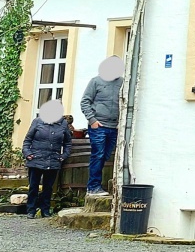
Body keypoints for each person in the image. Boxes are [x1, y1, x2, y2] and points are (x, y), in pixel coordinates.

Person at [80, 54, 123, 198]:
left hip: (115, 127)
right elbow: (85, 102)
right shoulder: (96, 81)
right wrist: (92, 121)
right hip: (99, 126)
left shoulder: (123, 82)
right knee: (98, 155)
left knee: (104, 156)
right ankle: (93, 187)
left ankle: (96, 185)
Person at [22, 99, 72, 217]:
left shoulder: (63, 124)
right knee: (33, 187)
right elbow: (27, 140)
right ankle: (31, 210)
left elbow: (68, 143)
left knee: (48, 188)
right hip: (36, 159)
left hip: (53, 160)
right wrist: (27, 153)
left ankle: (45, 209)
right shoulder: (38, 121)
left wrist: (63, 156)